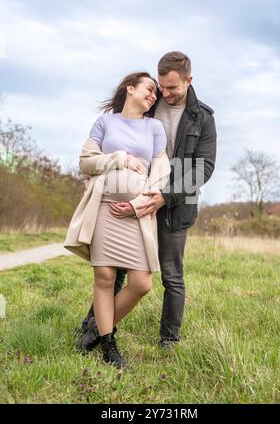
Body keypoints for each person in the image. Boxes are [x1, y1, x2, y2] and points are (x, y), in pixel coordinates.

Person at [77, 51, 217, 350]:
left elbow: (203, 167)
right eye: (160, 87)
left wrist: (165, 196)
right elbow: (120, 136)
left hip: (177, 203)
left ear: (188, 81)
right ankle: (95, 330)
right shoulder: (150, 107)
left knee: (172, 275)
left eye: (171, 88)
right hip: (136, 205)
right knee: (113, 270)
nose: (164, 93)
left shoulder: (202, 117)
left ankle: (168, 340)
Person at [64, 72, 171, 368]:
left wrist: (137, 205)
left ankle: (97, 328)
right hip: (104, 209)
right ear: (130, 88)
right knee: (105, 278)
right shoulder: (105, 123)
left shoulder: (155, 127)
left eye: (156, 94)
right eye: (149, 89)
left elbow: (160, 171)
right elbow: (85, 162)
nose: (153, 96)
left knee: (141, 283)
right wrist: (119, 158)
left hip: (137, 214)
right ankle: (109, 344)